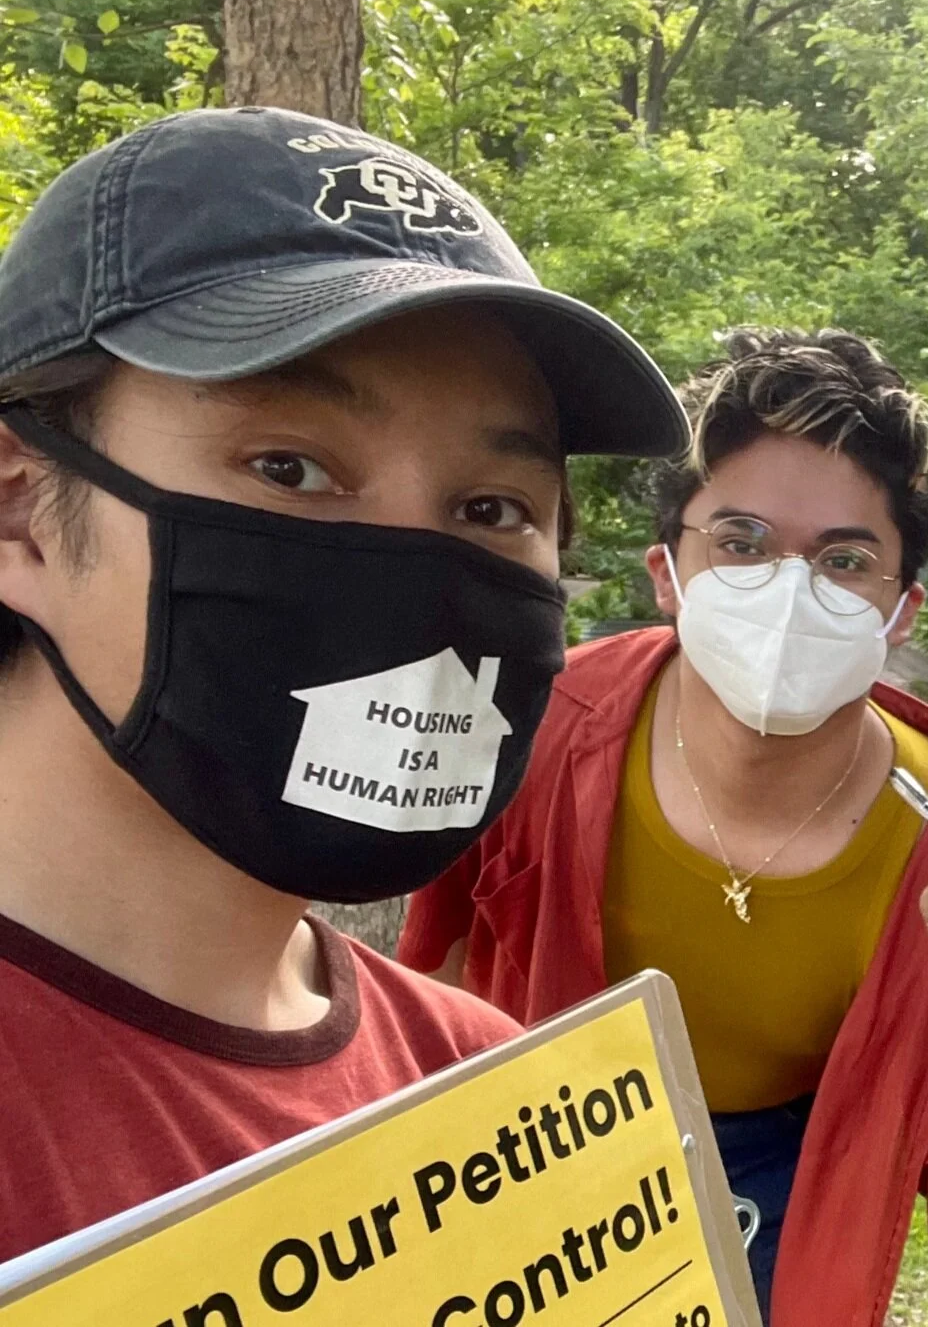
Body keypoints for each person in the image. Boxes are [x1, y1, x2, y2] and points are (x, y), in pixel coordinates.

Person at [0, 107, 689, 1261]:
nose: (424, 579)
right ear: (20, 507)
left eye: (492, 510)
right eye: (293, 467)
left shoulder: (487, 1100)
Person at [399, 328, 928, 1325]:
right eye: (742, 542)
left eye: (846, 559)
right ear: (668, 574)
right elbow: (426, 993)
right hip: (540, 1132)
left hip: (781, 1162)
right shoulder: (542, 732)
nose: (789, 591)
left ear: (901, 611)